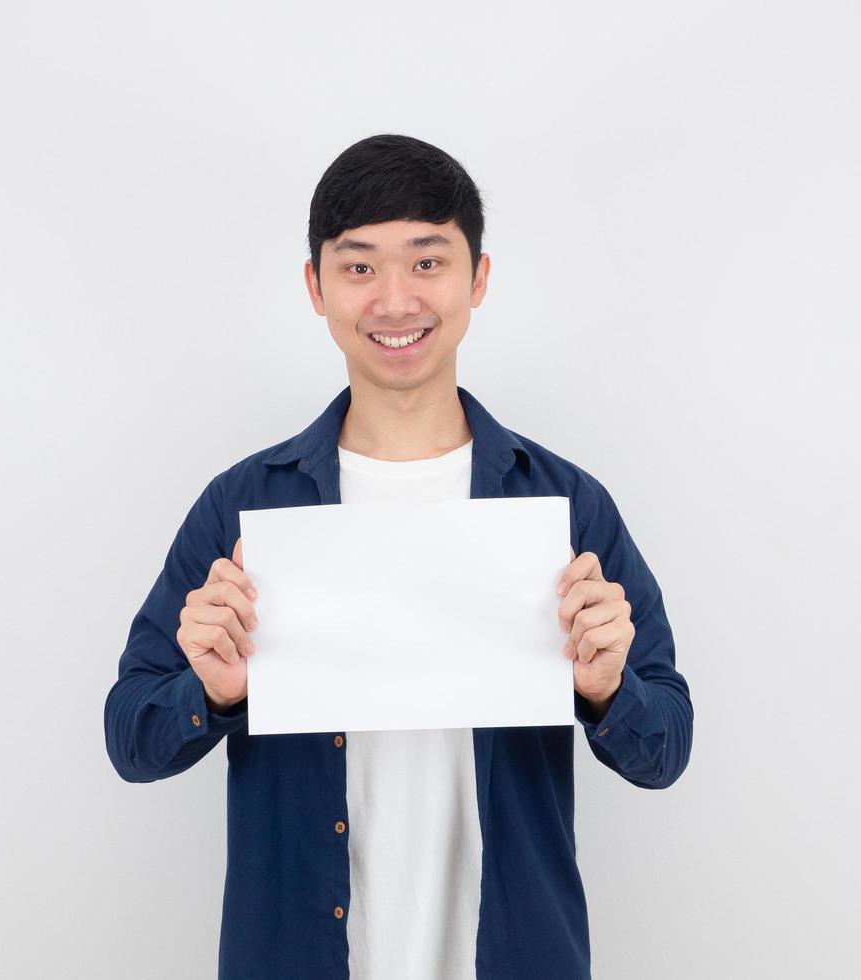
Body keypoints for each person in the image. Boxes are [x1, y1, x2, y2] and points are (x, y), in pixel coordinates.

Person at [104, 133, 693, 980]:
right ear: (315, 286)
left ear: (477, 278)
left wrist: (606, 687)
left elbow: (665, 746)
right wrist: (213, 689)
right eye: (357, 267)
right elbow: (132, 739)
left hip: (514, 956)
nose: (393, 300)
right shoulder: (243, 508)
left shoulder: (564, 506)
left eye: (426, 263)